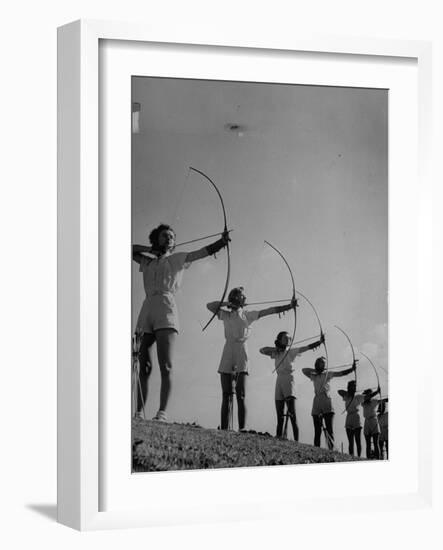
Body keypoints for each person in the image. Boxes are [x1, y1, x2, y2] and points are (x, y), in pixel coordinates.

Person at [132, 223, 230, 421]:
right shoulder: (147, 261)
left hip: (166, 308)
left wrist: (221, 242)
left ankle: (161, 412)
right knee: (143, 364)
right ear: (156, 238)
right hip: (147, 308)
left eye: (171, 237)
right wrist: (150, 250)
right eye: (164, 235)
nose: (168, 238)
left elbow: (202, 252)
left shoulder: (178, 258)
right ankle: (139, 412)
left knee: (165, 364)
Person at [207, 287, 296, 431]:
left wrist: (289, 306)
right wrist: (228, 304)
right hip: (228, 349)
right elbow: (209, 306)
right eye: (242, 296)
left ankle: (242, 428)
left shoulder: (248, 315)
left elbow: (269, 311)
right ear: (235, 298)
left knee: (240, 393)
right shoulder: (226, 315)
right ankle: (224, 429)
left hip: (242, 349)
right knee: (226, 393)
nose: (245, 299)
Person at [259, 332, 324, 440]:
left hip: (289, 379)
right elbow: (262, 350)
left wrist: (319, 342)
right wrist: (276, 349)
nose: (288, 339)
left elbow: (306, 347)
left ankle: (296, 440)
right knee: (279, 414)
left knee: (292, 414)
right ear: (279, 340)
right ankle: (279, 437)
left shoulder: (291, 351)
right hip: (279, 380)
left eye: (289, 338)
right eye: (285, 338)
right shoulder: (277, 353)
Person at [302, 358, 355, 450]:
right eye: (321, 364)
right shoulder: (314, 376)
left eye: (324, 364)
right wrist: (316, 371)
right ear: (316, 365)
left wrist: (351, 369)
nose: (323, 366)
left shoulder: (327, 374)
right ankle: (316, 449)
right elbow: (304, 370)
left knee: (329, 429)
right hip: (317, 401)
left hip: (326, 401)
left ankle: (331, 449)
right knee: (317, 430)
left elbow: (341, 373)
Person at [338, 380, 365, 457]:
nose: (354, 387)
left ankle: (359, 457)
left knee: (358, 440)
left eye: (354, 386)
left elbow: (367, 397)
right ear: (349, 388)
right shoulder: (346, 396)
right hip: (349, 417)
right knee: (350, 441)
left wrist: (376, 392)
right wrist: (348, 393)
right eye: (352, 386)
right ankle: (351, 456)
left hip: (356, 417)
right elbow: (339, 391)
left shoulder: (358, 397)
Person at [361, 387, 388, 459]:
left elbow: (384, 400)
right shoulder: (363, 401)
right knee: (368, 444)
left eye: (369, 393)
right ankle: (368, 459)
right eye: (368, 394)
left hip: (373, 421)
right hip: (367, 422)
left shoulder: (374, 401)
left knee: (376, 443)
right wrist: (377, 391)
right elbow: (367, 397)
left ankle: (378, 459)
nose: (368, 395)